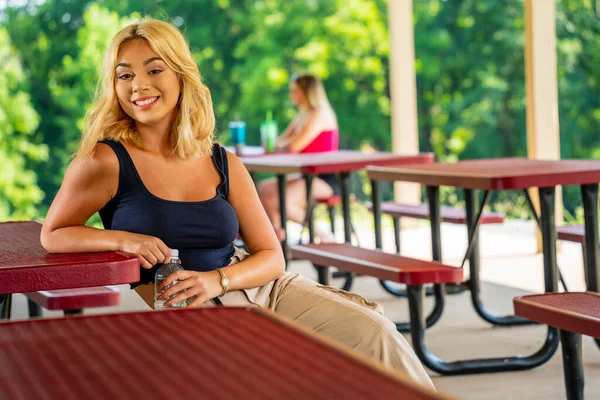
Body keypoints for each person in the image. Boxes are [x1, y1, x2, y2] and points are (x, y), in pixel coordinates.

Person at [39, 19, 434, 389]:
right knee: (261, 371)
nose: (139, 85)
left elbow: (271, 256)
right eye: (125, 75)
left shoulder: (221, 161)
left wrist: (219, 280)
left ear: (180, 75)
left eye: (154, 70)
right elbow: (53, 234)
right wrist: (125, 241)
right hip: (183, 304)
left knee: (373, 330)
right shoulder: (104, 161)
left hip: (257, 285)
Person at [258, 74, 339, 241]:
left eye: (295, 91)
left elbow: (295, 145)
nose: (291, 95)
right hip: (306, 176)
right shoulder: (302, 114)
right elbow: (282, 140)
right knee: (264, 189)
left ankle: (323, 235)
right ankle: (277, 239)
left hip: (325, 179)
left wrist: (275, 143)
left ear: (306, 92)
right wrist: (272, 142)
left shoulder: (319, 114)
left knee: (282, 200)